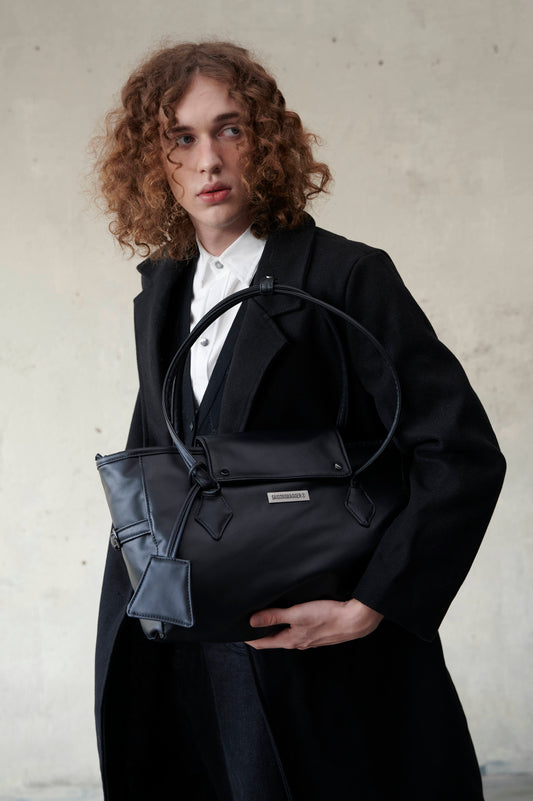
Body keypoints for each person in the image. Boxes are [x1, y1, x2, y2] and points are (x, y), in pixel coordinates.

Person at [92, 41, 506, 801]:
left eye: (231, 129)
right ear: (153, 161)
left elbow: (459, 451)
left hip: (315, 657)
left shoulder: (347, 275)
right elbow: (163, 454)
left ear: (268, 142)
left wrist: (371, 606)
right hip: (183, 650)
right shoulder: (163, 289)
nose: (209, 160)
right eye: (181, 138)